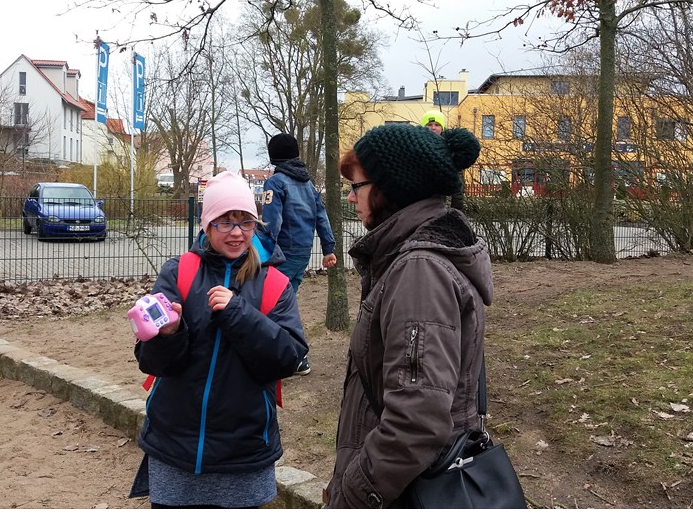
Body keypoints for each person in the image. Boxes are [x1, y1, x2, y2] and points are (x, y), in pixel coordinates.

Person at [324, 123, 492, 508]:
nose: (351, 198)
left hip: (406, 492)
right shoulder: (410, 259)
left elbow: (417, 420)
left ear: (390, 189)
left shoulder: (420, 270)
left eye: (357, 187)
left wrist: (350, 496)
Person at [132, 171, 309, 508]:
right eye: (225, 222)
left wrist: (238, 313)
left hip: (243, 451)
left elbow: (289, 358)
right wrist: (167, 334)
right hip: (175, 449)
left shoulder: (274, 284)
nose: (237, 232)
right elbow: (151, 363)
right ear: (207, 225)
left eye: (246, 222)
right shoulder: (179, 272)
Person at [261, 133, 338, 375]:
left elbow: (272, 221)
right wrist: (328, 248)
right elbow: (321, 216)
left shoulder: (275, 183)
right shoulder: (307, 183)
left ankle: (293, 356)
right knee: (288, 302)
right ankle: (295, 356)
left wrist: (264, 253)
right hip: (303, 253)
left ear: (274, 157)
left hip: (282, 254)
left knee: (273, 305)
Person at [421, 109, 466, 210]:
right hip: (417, 200)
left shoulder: (449, 148)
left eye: (437, 125)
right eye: (429, 124)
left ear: (442, 128)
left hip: (438, 201)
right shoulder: (414, 145)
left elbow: (457, 178)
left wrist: (457, 207)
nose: (433, 128)